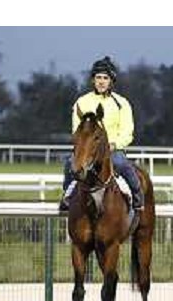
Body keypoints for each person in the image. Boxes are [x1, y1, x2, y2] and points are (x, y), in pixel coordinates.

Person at [59, 56, 144, 212]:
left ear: (111, 80)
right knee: (70, 164)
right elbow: (76, 131)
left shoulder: (122, 103)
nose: (101, 81)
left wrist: (114, 145)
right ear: (93, 80)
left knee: (121, 163)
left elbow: (127, 132)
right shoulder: (81, 102)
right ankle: (67, 197)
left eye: (105, 78)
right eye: (98, 77)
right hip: (88, 150)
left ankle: (138, 196)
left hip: (112, 150)